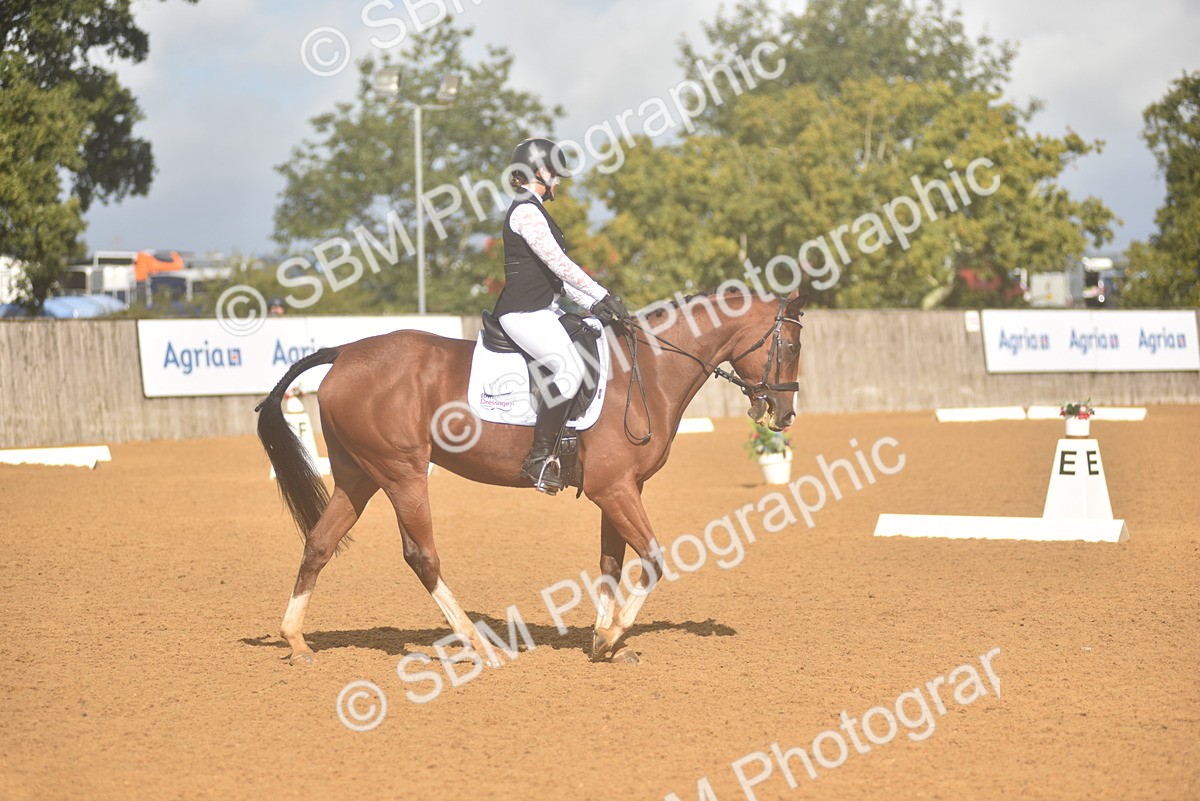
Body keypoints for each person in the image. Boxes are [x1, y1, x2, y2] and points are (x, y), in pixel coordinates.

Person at [493, 138, 630, 492]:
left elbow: (556, 279)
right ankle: (539, 459)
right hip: (522, 313)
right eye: (554, 174)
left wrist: (594, 306)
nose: (557, 182)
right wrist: (601, 293)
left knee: (591, 333)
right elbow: (560, 264)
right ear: (540, 171)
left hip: (544, 310)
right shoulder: (525, 212)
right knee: (568, 371)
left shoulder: (535, 210)